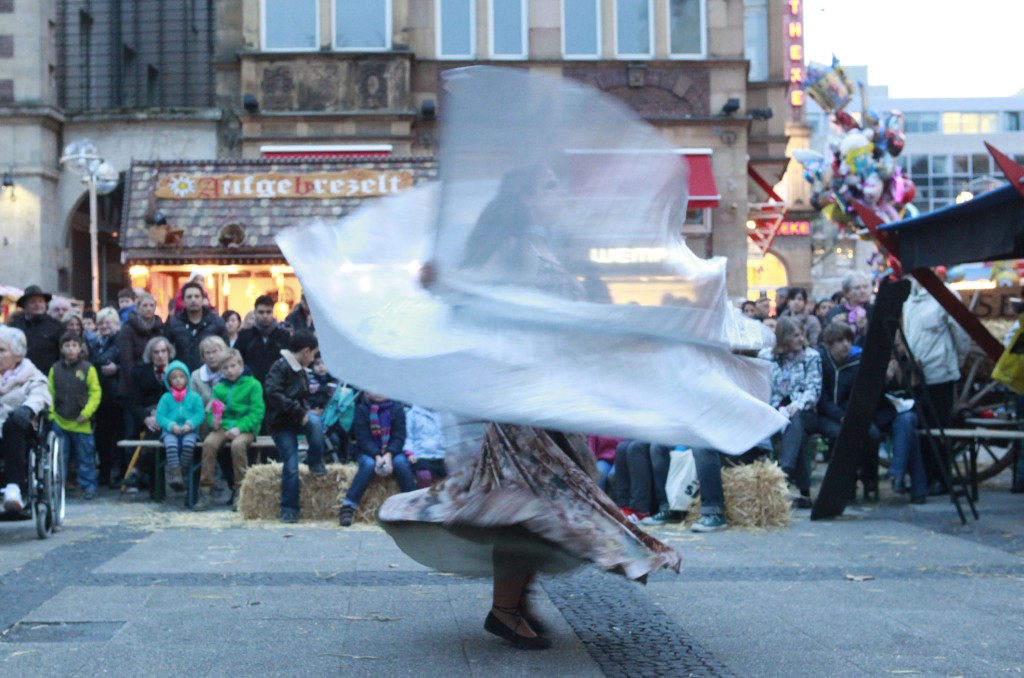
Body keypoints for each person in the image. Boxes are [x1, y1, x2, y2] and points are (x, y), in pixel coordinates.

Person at [377, 166, 683, 651]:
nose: (559, 193)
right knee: (528, 502)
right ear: (523, 197)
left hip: (549, 396)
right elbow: (467, 293)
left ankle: (519, 600)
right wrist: (444, 279)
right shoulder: (513, 246)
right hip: (521, 405)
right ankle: (506, 609)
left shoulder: (544, 246)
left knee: (545, 500)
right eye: (548, 186)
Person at [902, 276, 970, 492]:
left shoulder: (945, 295)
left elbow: (961, 333)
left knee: (939, 427)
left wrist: (956, 362)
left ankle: (941, 478)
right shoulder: (909, 298)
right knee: (922, 428)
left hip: (940, 373)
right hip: (917, 374)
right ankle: (925, 477)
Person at [263, 330, 327, 523]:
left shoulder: (301, 370)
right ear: (306, 351)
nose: (314, 358)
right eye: (314, 354)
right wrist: (299, 412)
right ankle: (289, 508)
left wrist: (305, 410)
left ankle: (314, 460)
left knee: (316, 423)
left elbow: (301, 395)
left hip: (296, 418)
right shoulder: (281, 367)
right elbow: (273, 393)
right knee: (291, 466)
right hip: (281, 423)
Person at [758, 316, 821, 508]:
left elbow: (813, 389)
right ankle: (804, 492)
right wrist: (776, 408)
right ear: (783, 337)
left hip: (805, 409)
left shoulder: (811, 357)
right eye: (795, 335)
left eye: (802, 334)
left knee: (796, 419)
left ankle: (784, 470)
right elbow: (764, 387)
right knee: (796, 430)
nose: (801, 339)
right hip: (774, 409)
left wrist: (798, 404)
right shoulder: (766, 357)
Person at [194, 349, 264, 511]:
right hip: (224, 425)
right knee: (209, 443)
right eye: (225, 368)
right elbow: (213, 411)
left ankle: (241, 489)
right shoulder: (219, 388)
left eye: (233, 366)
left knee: (237, 445)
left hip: (246, 426)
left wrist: (240, 428)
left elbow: (257, 413)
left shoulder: (253, 385)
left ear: (241, 365)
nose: (230, 371)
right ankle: (206, 489)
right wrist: (214, 422)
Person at [338, 392, 416, 527]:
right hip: (368, 452)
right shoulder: (362, 409)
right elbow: (362, 438)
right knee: (368, 465)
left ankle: (413, 504)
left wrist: (389, 455)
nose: (378, 393)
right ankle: (348, 505)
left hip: (393, 451)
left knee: (401, 464)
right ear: (367, 392)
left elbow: (399, 436)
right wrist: (377, 456)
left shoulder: (397, 409)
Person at [0, 327, 53, 513]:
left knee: (13, 424)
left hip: (18, 429)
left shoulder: (31, 375)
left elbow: (41, 395)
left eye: (1, 350)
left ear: (17, 355)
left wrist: (27, 408)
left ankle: (13, 488)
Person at [47, 332, 102, 500]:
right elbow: (49, 392)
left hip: (81, 422)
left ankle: (88, 486)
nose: (71, 349)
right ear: (61, 349)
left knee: (85, 457)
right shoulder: (55, 369)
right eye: (67, 346)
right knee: (59, 457)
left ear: (80, 348)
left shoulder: (88, 369)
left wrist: (87, 413)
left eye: (74, 345)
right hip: (60, 420)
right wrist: (51, 414)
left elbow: (95, 393)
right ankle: (58, 486)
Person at [691, 442, 773, 533]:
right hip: (729, 445)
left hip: (750, 447)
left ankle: (714, 514)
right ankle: (681, 512)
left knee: (702, 449)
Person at [155, 359, 205, 493]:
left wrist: (190, 424)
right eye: (174, 377)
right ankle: (176, 474)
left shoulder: (194, 397)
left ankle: (181, 472)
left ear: (187, 379)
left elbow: (200, 413)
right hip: (170, 431)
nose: (178, 380)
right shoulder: (166, 398)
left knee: (189, 445)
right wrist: (171, 426)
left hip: (189, 431)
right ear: (168, 381)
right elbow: (160, 416)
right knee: (170, 445)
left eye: (181, 376)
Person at [89, 307, 123, 487]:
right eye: (101, 322)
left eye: (108, 322)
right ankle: (104, 473)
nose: (104, 326)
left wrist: (117, 369)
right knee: (102, 438)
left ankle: (119, 473)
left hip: (117, 396)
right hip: (100, 396)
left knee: (118, 436)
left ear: (116, 324)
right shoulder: (95, 343)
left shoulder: (121, 340)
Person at [165, 281, 228, 371]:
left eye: (197, 296)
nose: (193, 300)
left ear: (203, 299)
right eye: (189, 297)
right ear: (183, 301)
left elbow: (226, 349)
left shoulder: (216, 322)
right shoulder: (173, 323)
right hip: (181, 375)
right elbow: (167, 351)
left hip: (210, 374)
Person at [118, 291, 165, 404]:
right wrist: (135, 382)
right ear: (138, 308)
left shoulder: (160, 328)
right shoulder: (128, 329)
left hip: (154, 382)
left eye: (151, 305)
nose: (148, 309)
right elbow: (126, 360)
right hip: (133, 382)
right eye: (145, 305)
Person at [7, 285, 63, 375]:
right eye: (32, 302)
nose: (37, 305)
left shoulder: (56, 326)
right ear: (24, 306)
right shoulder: (15, 326)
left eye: (40, 301)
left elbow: (62, 354)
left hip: (47, 377)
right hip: (19, 377)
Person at [236, 295, 291, 384]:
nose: (265, 316)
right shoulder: (244, 336)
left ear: (273, 313)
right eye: (261, 312)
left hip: (277, 384)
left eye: (268, 312)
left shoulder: (283, 336)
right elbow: (237, 360)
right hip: (250, 385)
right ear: (255, 313)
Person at [403, 404, 447, 488]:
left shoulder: (443, 414)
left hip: (441, 454)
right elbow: (408, 437)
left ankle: (452, 495)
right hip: (421, 455)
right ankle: (424, 494)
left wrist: (452, 452)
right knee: (424, 476)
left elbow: (450, 434)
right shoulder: (412, 414)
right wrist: (409, 452)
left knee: (455, 474)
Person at [826, 272, 874, 345]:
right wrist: (834, 327)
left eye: (865, 287)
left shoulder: (875, 311)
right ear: (846, 292)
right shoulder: (835, 312)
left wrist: (864, 329)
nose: (863, 291)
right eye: (857, 288)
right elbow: (825, 339)